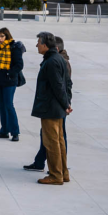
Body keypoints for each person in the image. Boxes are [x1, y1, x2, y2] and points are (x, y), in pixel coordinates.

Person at [31, 32, 71, 185]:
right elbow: (65, 84)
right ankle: (63, 173)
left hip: (51, 108)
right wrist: (66, 103)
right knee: (58, 141)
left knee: (52, 142)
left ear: (45, 45)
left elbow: (59, 86)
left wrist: (65, 104)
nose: (36, 45)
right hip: (56, 107)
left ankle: (55, 175)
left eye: (38, 43)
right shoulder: (57, 59)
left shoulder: (52, 61)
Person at [0, 27, 23, 141]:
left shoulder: (14, 47)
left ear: (7, 36)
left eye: (2, 36)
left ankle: (15, 132)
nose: (0, 38)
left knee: (8, 105)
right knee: (1, 106)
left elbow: (19, 64)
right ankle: (4, 131)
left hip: (9, 81)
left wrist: (9, 73)